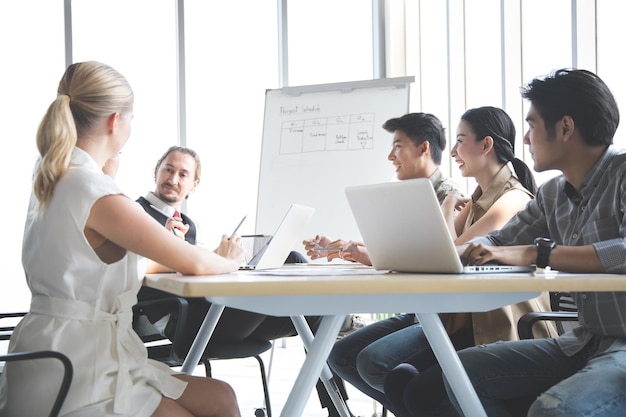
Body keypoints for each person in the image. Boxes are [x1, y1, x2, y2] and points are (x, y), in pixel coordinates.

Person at [0, 61, 244, 417]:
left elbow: (102, 265)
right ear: (115, 121)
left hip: (56, 353)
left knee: (220, 397)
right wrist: (232, 259)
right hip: (82, 369)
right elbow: (196, 262)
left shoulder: (56, 176)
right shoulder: (96, 191)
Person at [436, 68, 626, 417]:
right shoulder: (553, 193)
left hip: (622, 347)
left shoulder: (623, 174)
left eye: (533, 125)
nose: (525, 138)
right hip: (586, 340)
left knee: (553, 409)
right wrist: (429, 252)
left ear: (565, 128)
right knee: (461, 372)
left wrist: (540, 252)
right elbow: (497, 241)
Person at [135, 145, 353, 417]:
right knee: (292, 278)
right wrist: (208, 257)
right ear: (156, 171)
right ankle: (342, 315)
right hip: (185, 322)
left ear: (194, 184)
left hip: (209, 313)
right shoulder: (136, 214)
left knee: (308, 294)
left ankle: (339, 409)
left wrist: (217, 258)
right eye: (168, 170)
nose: (173, 179)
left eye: (183, 174)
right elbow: (140, 268)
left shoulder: (188, 223)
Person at [382, 106, 556, 417]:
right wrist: (451, 206)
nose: (452, 151)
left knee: (418, 391)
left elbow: (451, 255)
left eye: (460, 140)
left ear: (486, 145)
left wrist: (448, 207)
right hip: (468, 325)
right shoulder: (477, 198)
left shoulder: (513, 199)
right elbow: (446, 250)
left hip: (502, 329)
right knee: (398, 380)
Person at [303, 112, 459, 410]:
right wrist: (338, 249)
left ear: (423, 148)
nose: (391, 156)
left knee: (369, 360)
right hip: (416, 312)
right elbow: (391, 248)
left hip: (442, 317)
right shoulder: (412, 194)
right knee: (338, 355)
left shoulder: (450, 197)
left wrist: (365, 254)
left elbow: (428, 257)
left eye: (398, 146)